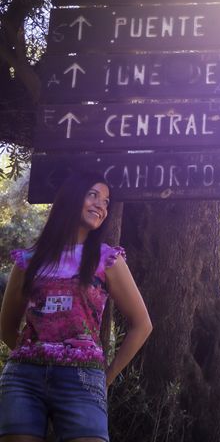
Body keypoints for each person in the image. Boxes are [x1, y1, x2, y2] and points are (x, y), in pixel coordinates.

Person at [0, 172, 152, 442]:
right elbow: (6, 325)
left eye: (106, 201)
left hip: (82, 379)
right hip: (24, 379)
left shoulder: (108, 259)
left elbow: (142, 324)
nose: (101, 206)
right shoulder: (28, 260)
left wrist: (107, 377)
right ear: (71, 198)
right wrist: (38, 354)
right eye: (92, 195)